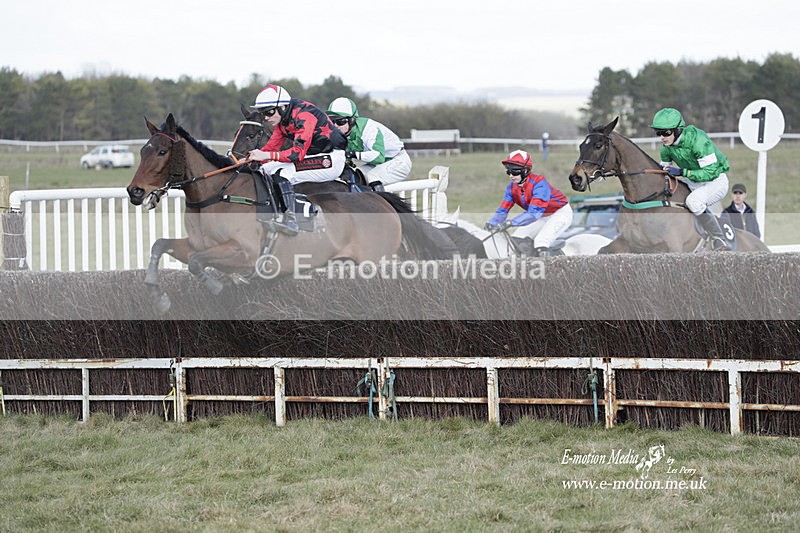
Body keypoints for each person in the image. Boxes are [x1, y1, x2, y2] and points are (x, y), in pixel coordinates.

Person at [246, 84, 347, 235]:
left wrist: (265, 156)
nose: (266, 118)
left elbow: (296, 154)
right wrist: (250, 160)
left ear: (283, 107)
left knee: (281, 173)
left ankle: (291, 220)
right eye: (262, 114)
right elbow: (270, 148)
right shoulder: (282, 122)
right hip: (314, 155)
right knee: (264, 170)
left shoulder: (304, 115)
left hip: (331, 158)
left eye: (269, 112)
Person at [650, 107, 732, 251]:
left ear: (677, 130)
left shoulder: (698, 140)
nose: (662, 137)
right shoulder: (666, 147)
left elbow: (710, 172)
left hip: (715, 181)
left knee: (693, 201)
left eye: (666, 132)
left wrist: (682, 172)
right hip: (693, 181)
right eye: (659, 132)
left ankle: (719, 238)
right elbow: (663, 173)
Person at [483, 149, 572, 256]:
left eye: (515, 171)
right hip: (541, 216)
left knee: (541, 241)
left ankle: (549, 271)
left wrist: (510, 223)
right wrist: (490, 224)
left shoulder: (539, 183)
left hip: (559, 213)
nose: (511, 176)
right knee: (515, 240)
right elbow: (503, 210)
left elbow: (534, 213)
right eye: (508, 172)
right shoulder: (511, 188)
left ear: (526, 170)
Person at [326, 97, 411, 189]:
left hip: (398, 161)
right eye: (331, 121)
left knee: (372, 178)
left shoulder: (369, 128)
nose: (335, 126)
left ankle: (383, 203)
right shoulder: (340, 134)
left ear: (352, 120)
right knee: (354, 177)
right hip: (376, 164)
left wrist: (352, 154)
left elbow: (378, 157)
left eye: (340, 121)